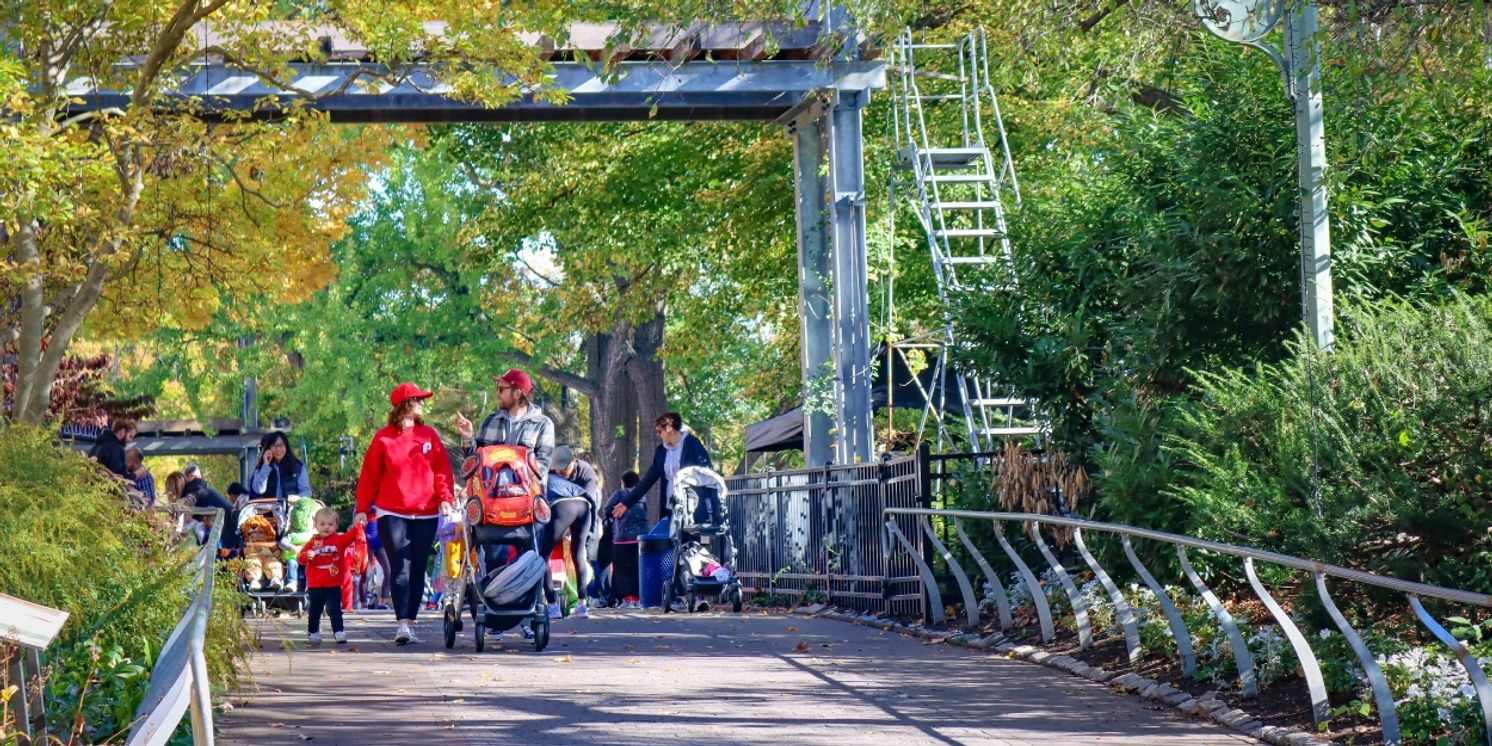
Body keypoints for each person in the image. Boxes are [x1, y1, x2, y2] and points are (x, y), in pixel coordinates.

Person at [355, 382, 456, 646]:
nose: (423, 403)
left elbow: (442, 469)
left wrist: (446, 498)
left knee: (418, 566)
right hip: (392, 512)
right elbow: (369, 477)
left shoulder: (429, 435)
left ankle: (411, 620)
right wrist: (362, 509)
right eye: (418, 399)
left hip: (426, 512)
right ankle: (401, 624)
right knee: (399, 566)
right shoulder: (383, 438)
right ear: (405, 404)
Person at [611, 412, 718, 526]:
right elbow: (647, 481)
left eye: (659, 430)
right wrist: (626, 503)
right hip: (670, 508)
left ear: (669, 428)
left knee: (691, 542)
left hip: (693, 509)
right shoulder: (661, 452)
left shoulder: (693, 444)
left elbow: (707, 473)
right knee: (670, 542)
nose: (658, 434)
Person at [455, 368, 555, 476]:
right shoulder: (490, 421)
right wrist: (468, 437)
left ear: (517, 394)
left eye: (501, 389)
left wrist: (508, 477)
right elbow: (473, 461)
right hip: (491, 491)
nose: (497, 393)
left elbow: (542, 468)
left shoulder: (543, 425)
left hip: (527, 492)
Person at [541, 446, 600, 619]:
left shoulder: (586, 471)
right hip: (577, 507)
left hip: (574, 507)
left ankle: (554, 604)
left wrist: (586, 531)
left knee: (544, 555)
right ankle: (581, 605)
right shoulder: (550, 470)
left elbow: (591, 499)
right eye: (558, 469)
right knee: (577, 554)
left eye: (565, 468)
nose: (561, 473)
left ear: (574, 462)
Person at [297, 507, 366, 645]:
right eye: (322, 524)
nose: (326, 527)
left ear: (336, 525)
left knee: (334, 609)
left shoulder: (339, 540)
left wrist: (359, 524)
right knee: (315, 610)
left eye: (330, 524)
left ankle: (339, 631)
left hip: (333, 583)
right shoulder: (313, 542)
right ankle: (313, 631)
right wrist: (306, 555)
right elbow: (300, 558)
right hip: (315, 584)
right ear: (315, 525)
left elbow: (353, 535)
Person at [603, 470, 645, 608]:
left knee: (621, 569)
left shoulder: (619, 494)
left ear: (623, 482)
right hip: (639, 537)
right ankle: (637, 597)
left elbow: (607, 509)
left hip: (621, 537)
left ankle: (626, 599)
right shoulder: (642, 495)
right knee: (636, 568)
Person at [251, 431, 312, 507]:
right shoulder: (261, 468)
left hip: (291, 512)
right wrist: (266, 466)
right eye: (274, 445)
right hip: (267, 513)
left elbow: (306, 491)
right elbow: (259, 489)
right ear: (268, 448)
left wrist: (298, 498)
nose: (278, 449)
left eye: (281, 445)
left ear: (286, 446)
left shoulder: (298, 467)